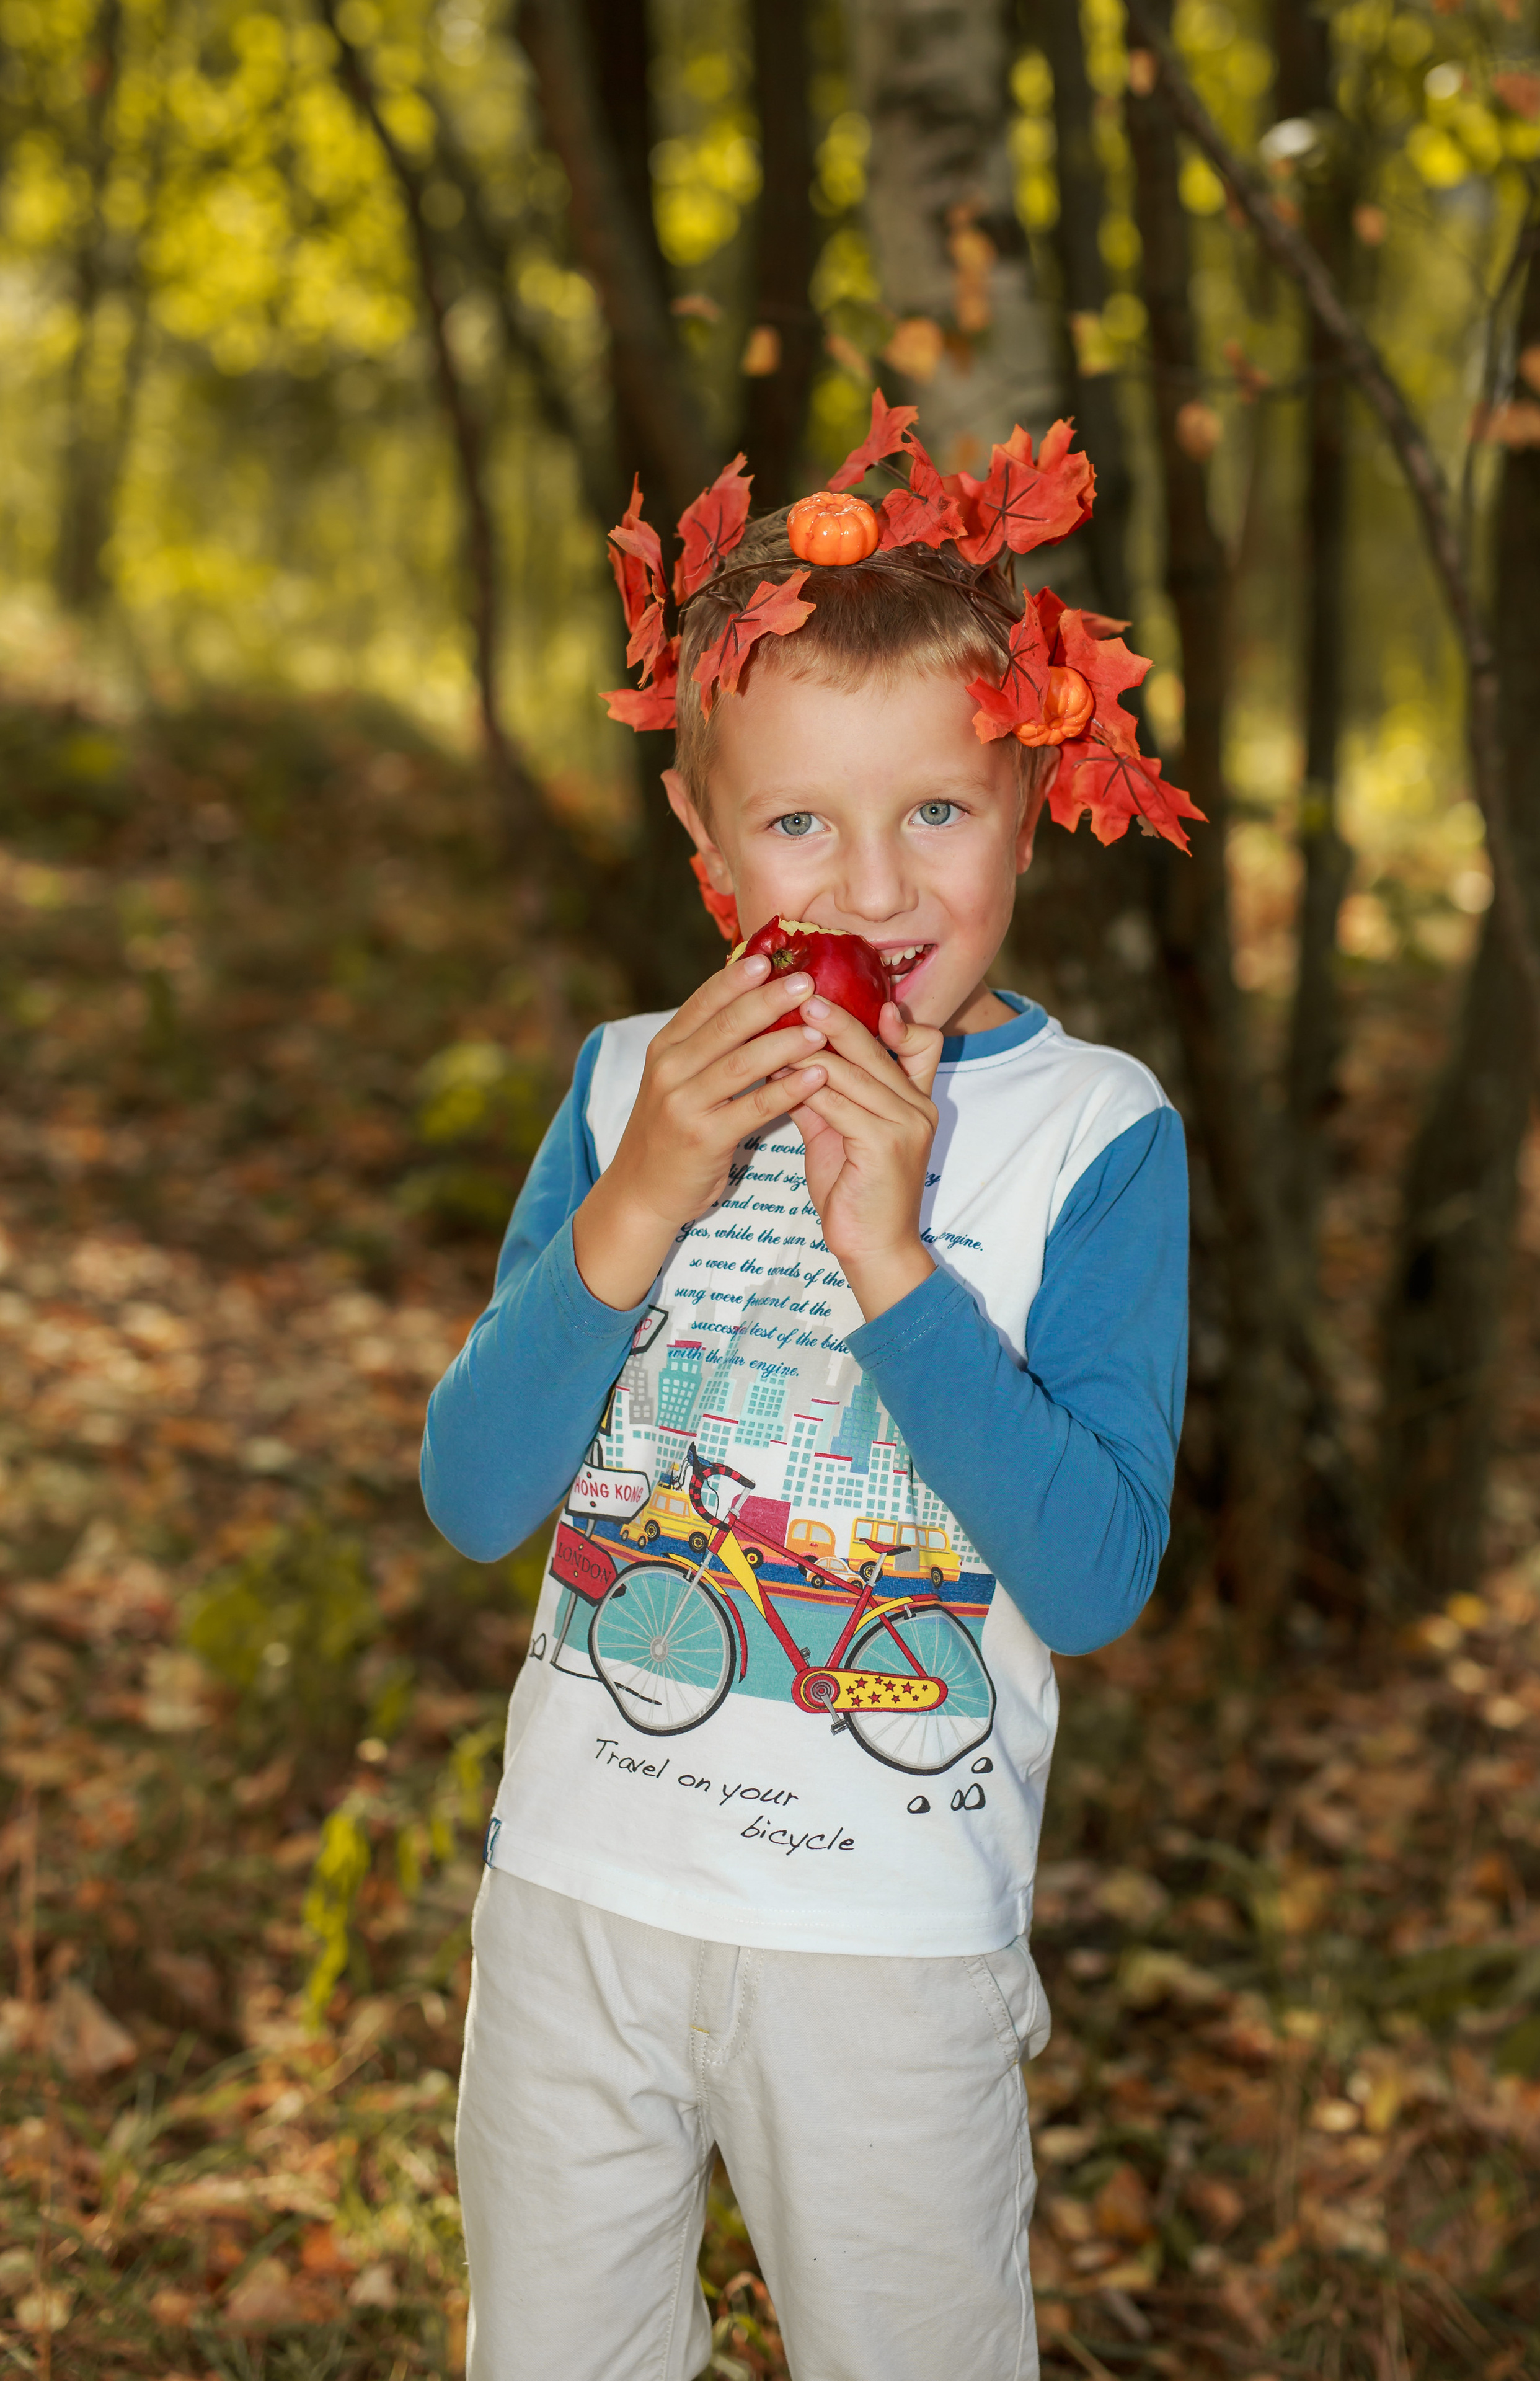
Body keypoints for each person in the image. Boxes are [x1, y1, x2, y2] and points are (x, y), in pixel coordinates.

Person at [420, 412, 1189, 2381]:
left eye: (936, 812)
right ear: (702, 849)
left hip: (888, 1953)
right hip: (579, 1911)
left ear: (1032, 811)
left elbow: (1094, 1580)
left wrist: (891, 1258)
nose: (869, 888)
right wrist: (652, 1191)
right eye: (797, 827)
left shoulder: (1091, 1136)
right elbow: (477, 1491)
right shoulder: (624, 1089)